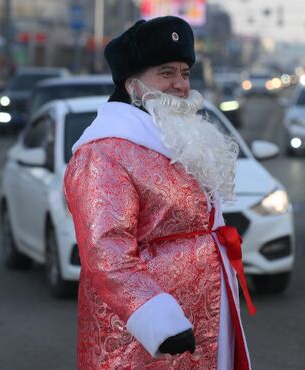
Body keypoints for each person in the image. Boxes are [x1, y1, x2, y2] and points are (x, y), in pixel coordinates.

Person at [63, 16, 255, 370]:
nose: (180, 85)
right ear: (133, 85)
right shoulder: (103, 152)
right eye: (166, 73)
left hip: (204, 314)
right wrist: (158, 320)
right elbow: (106, 252)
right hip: (144, 339)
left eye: (184, 73)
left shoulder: (176, 139)